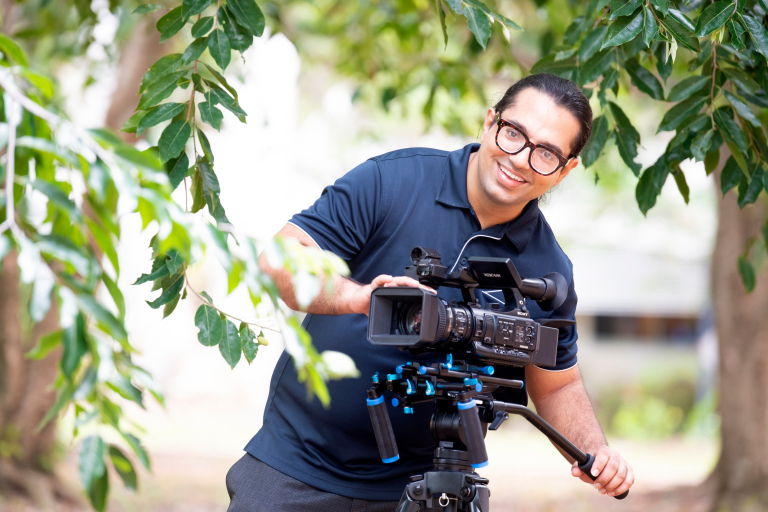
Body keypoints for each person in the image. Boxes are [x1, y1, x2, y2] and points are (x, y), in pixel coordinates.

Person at [225, 73, 635, 511]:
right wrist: (361, 298)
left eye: (547, 153)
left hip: (430, 485)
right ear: (489, 122)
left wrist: (598, 451)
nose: (519, 159)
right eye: (514, 133)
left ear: (565, 169)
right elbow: (280, 261)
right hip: (297, 465)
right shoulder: (394, 180)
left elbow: (556, 385)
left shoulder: (549, 269)